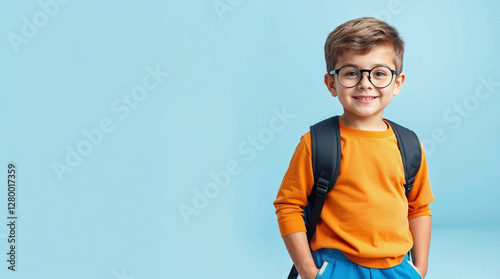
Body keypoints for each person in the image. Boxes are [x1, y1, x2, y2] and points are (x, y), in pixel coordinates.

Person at [273, 17, 435, 279]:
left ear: (397, 83)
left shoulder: (408, 144)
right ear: (331, 84)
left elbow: (418, 207)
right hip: (336, 266)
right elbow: (288, 205)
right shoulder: (316, 142)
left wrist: (420, 268)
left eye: (379, 73)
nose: (365, 83)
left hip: (397, 268)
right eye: (351, 72)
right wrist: (307, 270)